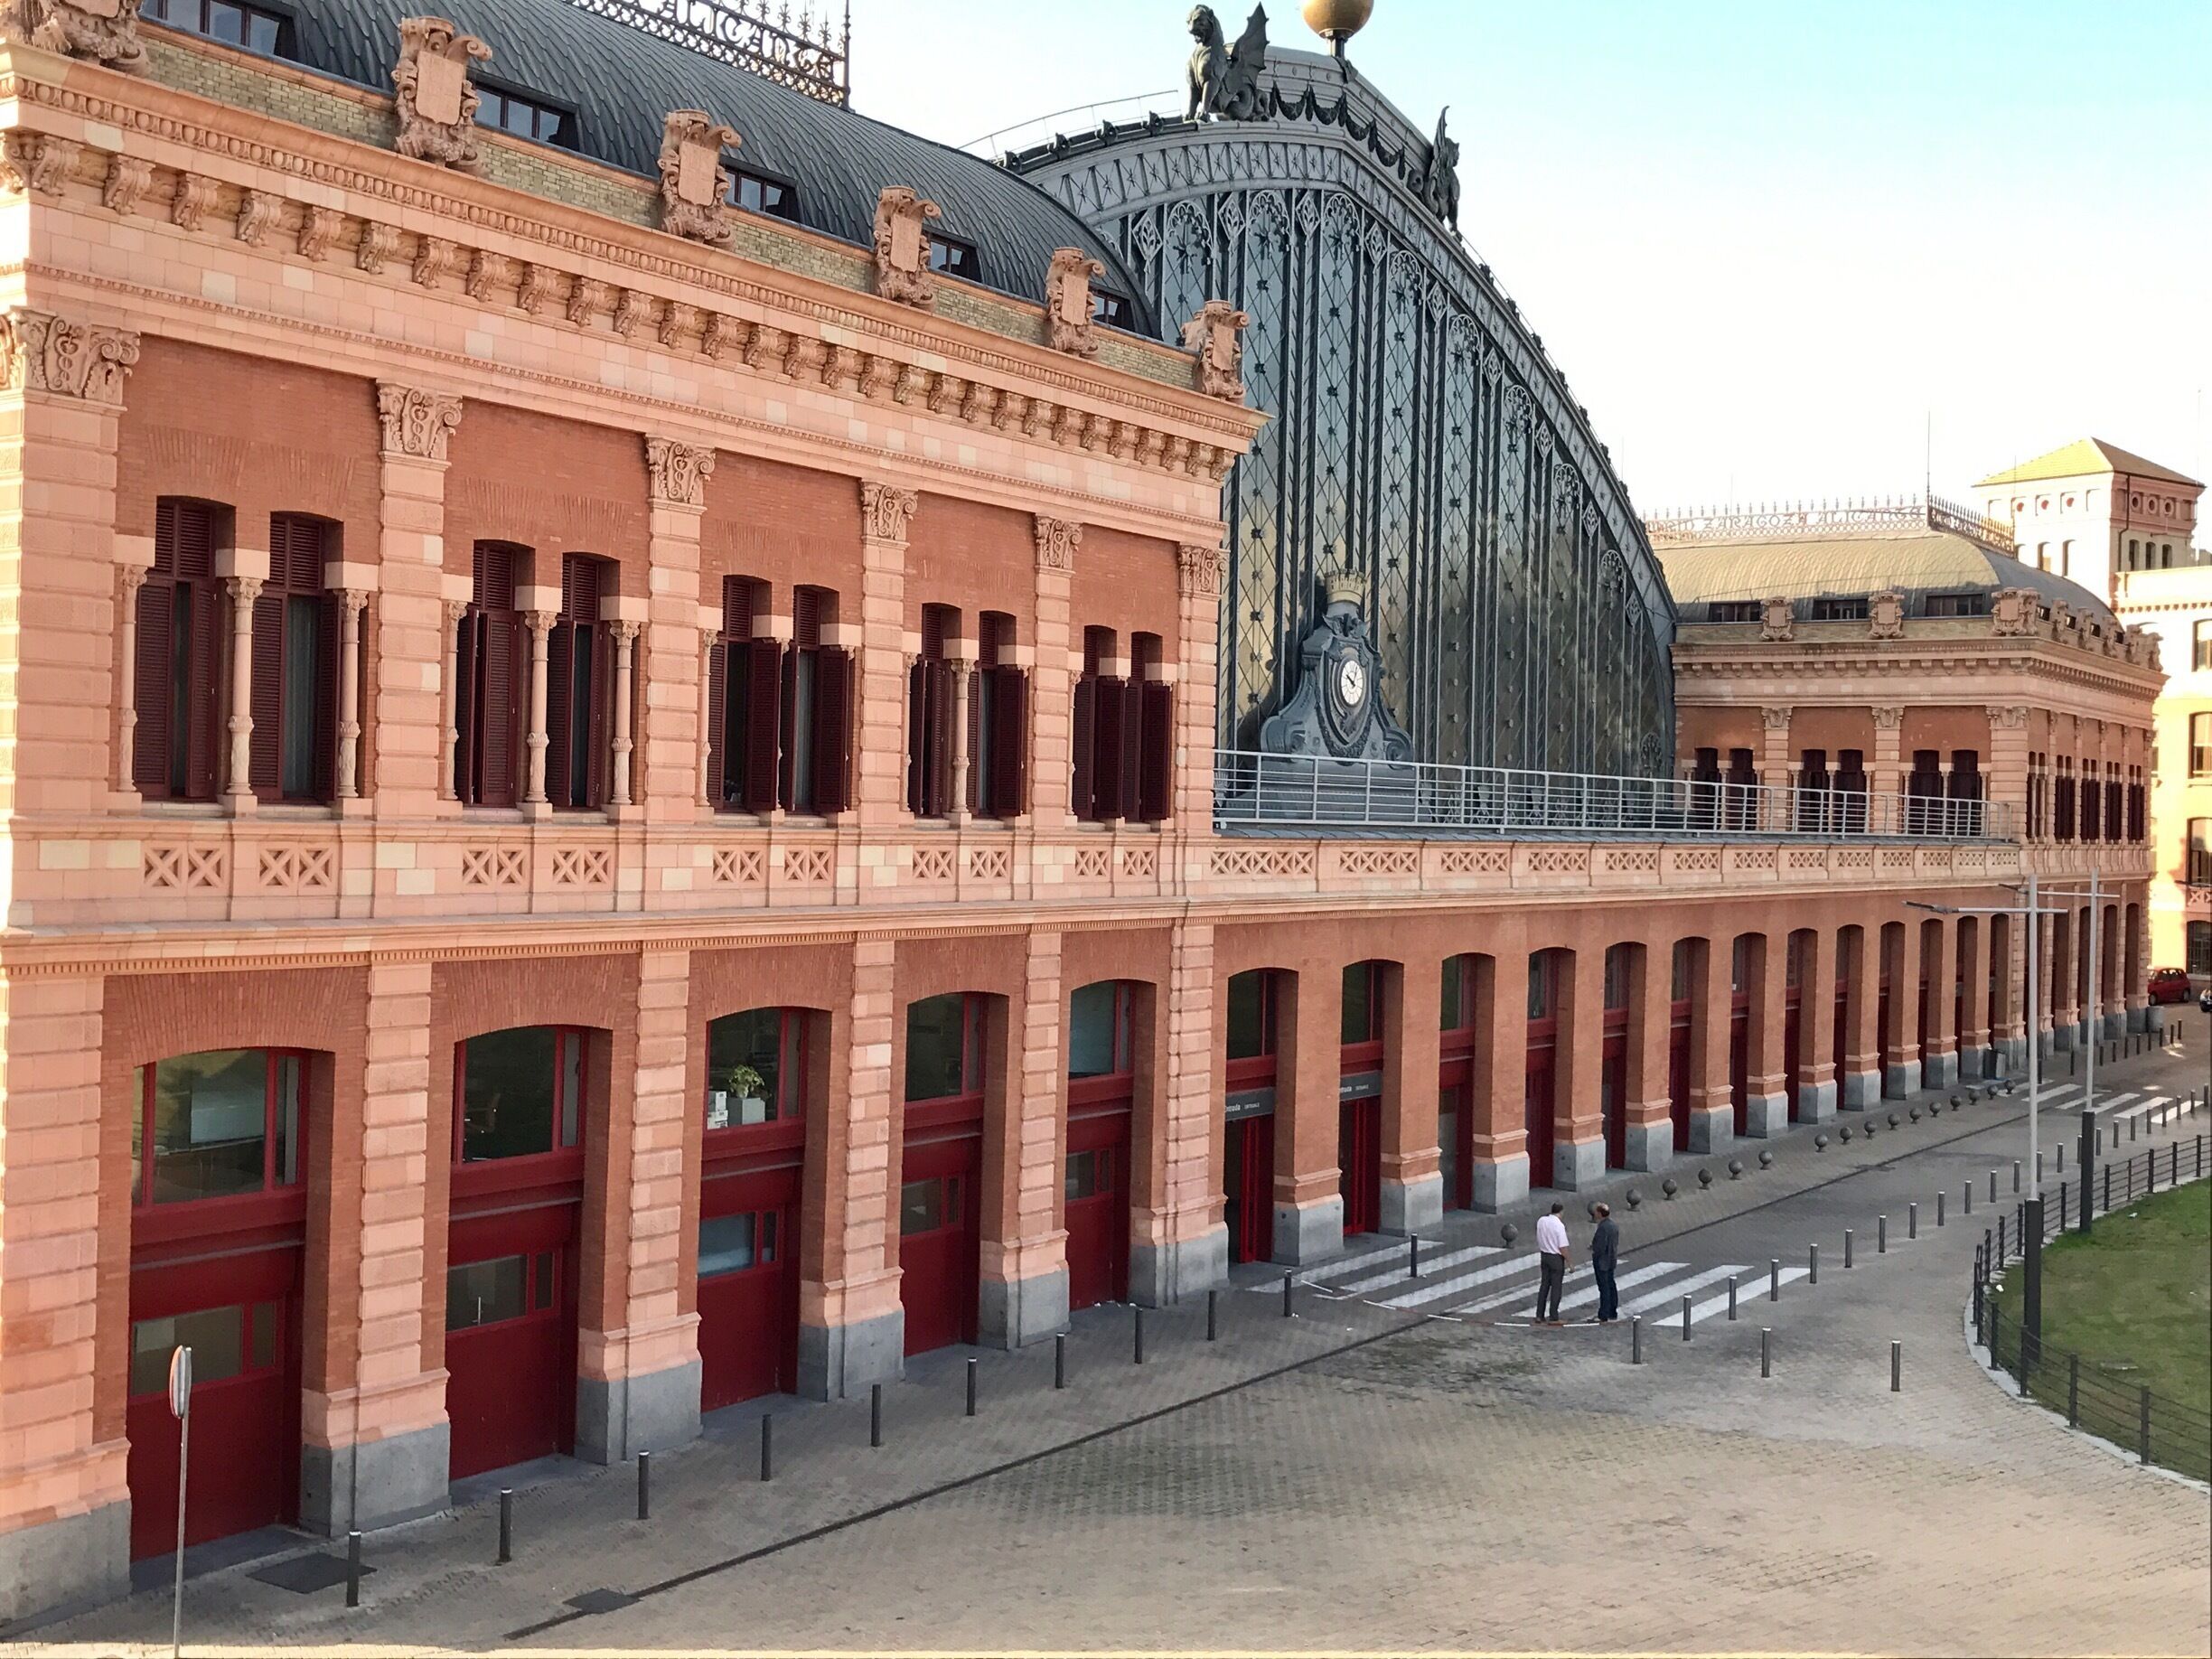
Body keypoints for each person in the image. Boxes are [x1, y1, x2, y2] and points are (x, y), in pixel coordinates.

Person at [1532, 1201, 1569, 1325]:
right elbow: (1563, 1247)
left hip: (1544, 1255)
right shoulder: (1559, 1225)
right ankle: (1554, 1316)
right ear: (1561, 1212)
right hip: (1556, 1258)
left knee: (1544, 1286)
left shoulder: (1541, 1221)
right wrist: (1570, 1262)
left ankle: (1539, 1315)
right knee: (1556, 1288)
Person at [1588, 1202, 1620, 1323]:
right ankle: (1613, 1311)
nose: (1595, 1214)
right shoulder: (1613, 1225)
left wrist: (1593, 1249)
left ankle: (1603, 1313)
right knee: (1611, 1285)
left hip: (1602, 1261)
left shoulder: (1602, 1228)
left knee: (1604, 1288)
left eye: (1596, 1212)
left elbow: (1600, 1247)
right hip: (1611, 1259)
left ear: (1600, 1214)